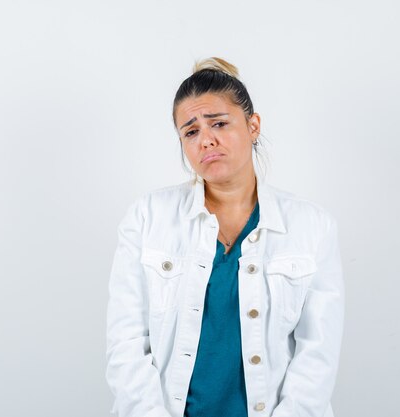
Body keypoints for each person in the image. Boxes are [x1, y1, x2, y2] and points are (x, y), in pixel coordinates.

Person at [105, 57, 344, 417]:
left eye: (218, 123)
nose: (206, 140)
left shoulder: (311, 226)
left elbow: (317, 355)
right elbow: (126, 345)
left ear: (253, 126)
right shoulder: (147, 218)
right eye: (190, 131)